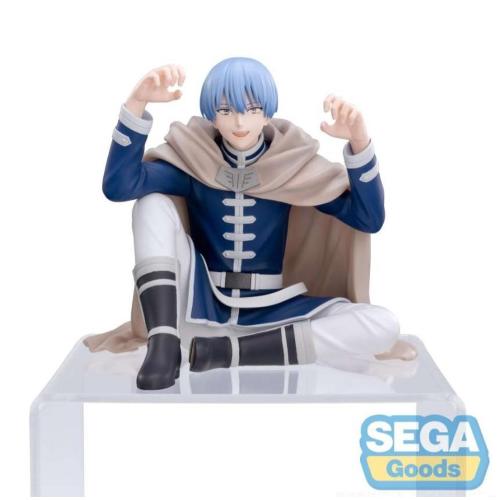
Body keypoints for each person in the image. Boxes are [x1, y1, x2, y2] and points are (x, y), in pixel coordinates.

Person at [84, 57, 416, 390]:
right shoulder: (193, 161)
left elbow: (368, 218)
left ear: (268, 113)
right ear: (212, 115)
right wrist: (136, 104)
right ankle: (163, 343)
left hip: (274, 315)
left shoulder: (293, 167)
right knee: (150, 203)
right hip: (198, 308)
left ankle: (230, 353)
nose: (240, 121)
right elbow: (120, 186)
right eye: (226, 110)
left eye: (252, 109)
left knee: (382, 324)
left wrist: (359, 142)